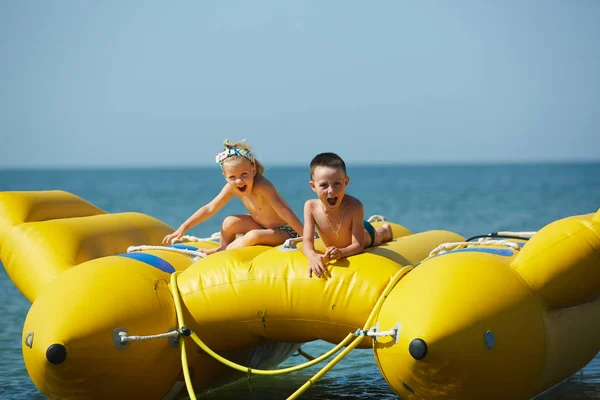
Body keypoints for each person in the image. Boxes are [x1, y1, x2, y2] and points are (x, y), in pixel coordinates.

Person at [162, 140, 304, 255]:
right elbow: (210, 208)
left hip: (285, 231)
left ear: (253, 170)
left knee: (254, 235)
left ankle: (220, 253)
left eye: (244, 175)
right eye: (233, 177)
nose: (239, 181)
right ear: (225, 177)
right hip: (260, 225)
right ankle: (223, 247)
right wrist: (184, 226)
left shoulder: (262, 186)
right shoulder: (231, 188)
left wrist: (306, 235)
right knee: (229, 222)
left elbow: (284, 211)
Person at [302, 152, 393, 277]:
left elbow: (358, 245)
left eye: (337, 184)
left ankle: (385, 229)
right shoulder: (310, 207)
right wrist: (312, 256)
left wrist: (342, 252)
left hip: (364, 234)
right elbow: (306, 241)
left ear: (346, 182)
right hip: (348, 232)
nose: (331, 190)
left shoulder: (355, 206)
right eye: (323, 185)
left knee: (378, 236)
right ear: (313, 186)